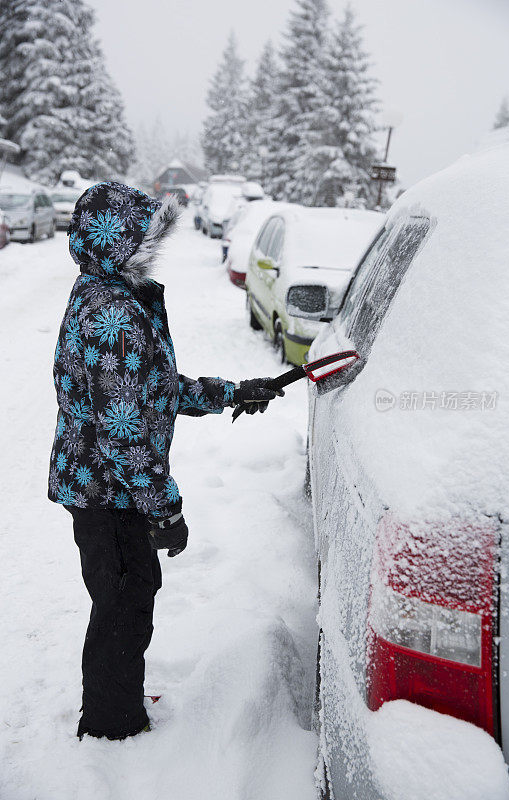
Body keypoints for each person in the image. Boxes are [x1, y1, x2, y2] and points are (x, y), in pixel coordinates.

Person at [48, 182, 282, 741]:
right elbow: (125, 431)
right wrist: (165, 509)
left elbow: (148, 387)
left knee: (124, 598)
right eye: (141, 239)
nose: (150, 250)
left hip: (106, 485)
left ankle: (116, 696)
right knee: (124, 606)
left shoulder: (109, 293)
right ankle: (112, 724)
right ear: (115, 241)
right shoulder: (114, 313)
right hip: (108, 490)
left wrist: (230, 392)